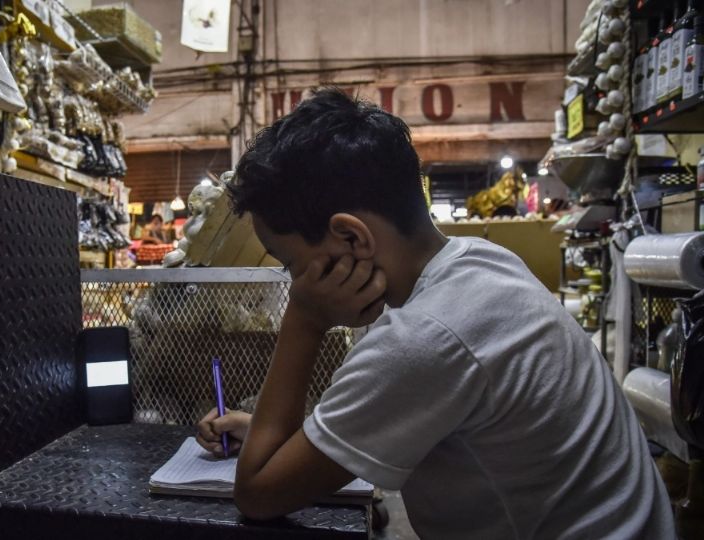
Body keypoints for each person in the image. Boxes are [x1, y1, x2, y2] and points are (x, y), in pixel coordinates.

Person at [195, 88, 675, 538]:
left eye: (292, 266)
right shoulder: (477, 261)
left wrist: (304, 319)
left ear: (352, 239)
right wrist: (271, 430)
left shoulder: (426, 337)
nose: (294, 284)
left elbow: (257, 493)